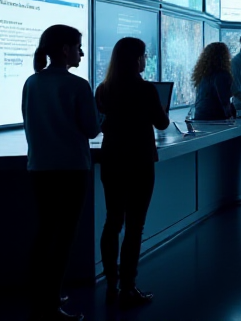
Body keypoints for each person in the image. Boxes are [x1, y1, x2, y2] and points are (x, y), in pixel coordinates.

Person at [23, 24, 100, 321]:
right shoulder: (77, 86)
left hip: (39, 168)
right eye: (78, 47)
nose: (81, 52)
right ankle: (51, 305)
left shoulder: (31, 82)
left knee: (45, 234)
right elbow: (92, 129)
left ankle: (43, 296)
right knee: (64, 238)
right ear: (65, 50)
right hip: (71, 170)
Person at [94, 37, 170, 308]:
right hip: (139, 162)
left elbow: (101, 125)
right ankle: (129, 286)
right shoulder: (146, 89)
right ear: (137, 59)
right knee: (135, 226)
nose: (146, 59)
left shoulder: (103, 89)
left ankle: (111, 284)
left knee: (112, 221)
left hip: (112, 159)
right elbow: (162, 124)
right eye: (144, 55)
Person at [192, 42, 235, 120]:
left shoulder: (202, 75)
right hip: (216, 116)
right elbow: (224, 99)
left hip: (200, 115)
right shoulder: (222, 75)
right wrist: (230, 115)